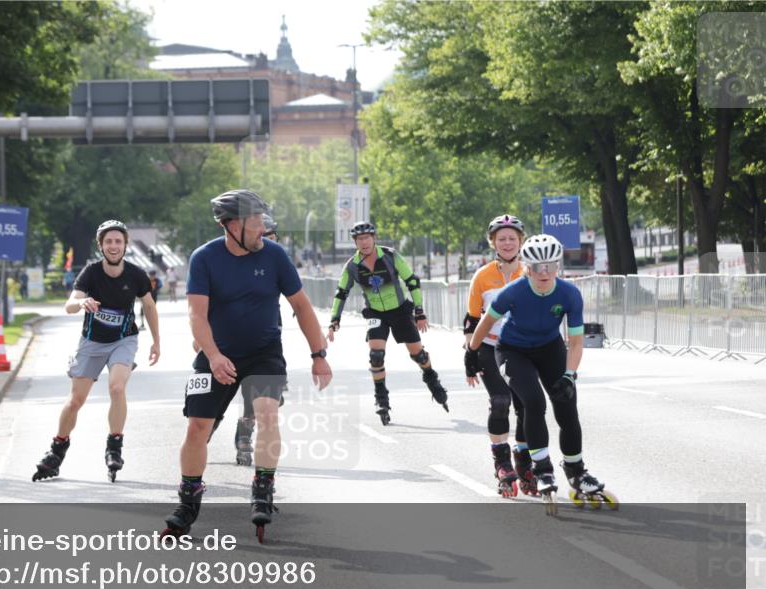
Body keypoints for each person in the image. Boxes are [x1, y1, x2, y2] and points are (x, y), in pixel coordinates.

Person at [162, 190, 332, 542]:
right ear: (232, 225)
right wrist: (212, 355)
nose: (262, 229)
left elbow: (301, 306)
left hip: (263, 352)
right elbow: (196, 313)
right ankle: (188, 501)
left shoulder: (274, 255)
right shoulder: (205, 258)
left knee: (267, 413)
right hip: (216, 352)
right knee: (197, 428)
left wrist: (318, 355)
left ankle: (262, 488)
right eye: (255, 222)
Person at [468, 234, 615, 512]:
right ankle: (543, 469)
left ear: (558, 265)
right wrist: (471, 353)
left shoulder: (569, 294)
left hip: (549, 348)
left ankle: (576, 471)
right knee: (534, 402)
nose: (544, 272)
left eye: (550, 265)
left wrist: (570, 375)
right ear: (526, 267)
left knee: (566, 404)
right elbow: (485, 323)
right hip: (513, 350)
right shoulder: (511, 292)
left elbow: (575, 342)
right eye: (537, 266)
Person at [32, 220, 160, 484]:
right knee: (76, 400)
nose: (114, 246)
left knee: (116, 387)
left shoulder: (136, 274)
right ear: (101, 246)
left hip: (124, 340)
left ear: (125, 245)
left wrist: (156, 342)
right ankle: (57, 450)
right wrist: (82, 302)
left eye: (118, 241)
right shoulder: (91, 273)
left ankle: (114, 445)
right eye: (108, 242)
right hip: (91, 342)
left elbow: (149, 306)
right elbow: (69, 305)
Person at [327, 221, 448, 426]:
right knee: (376, 356)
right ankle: (381, 399)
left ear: (374, 238)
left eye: (367, 238)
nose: (364, 242)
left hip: (400, 310)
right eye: (359, 239)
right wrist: (334, 320)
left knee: (418, 354)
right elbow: (341, 293)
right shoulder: (352, 266)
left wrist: (419, 311)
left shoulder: (391, 256)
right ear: (355, 242)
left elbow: (412, 281)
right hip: (376, 313)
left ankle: (431, 377)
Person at [205, 210, 284, 466]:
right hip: (223, 341)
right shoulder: (224, 259)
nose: (267, 241)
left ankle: (244, 438)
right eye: (264, 235)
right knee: (217, 402)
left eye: (272, 237)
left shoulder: (274, 258)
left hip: (264, 339)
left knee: (259, 397)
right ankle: (206, 432)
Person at [463, 215, 533, 498]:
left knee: (526, 406)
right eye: (501, 238)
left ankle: (525, 462)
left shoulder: (530, 273)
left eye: (512, 238)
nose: (507, 243)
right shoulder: (482, 276)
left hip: (521, 348)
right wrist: (469, 354)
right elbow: (471, 320)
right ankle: (502, 463)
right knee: (500, 401)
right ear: (493, 242)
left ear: (520, 242)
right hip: (490, 346)